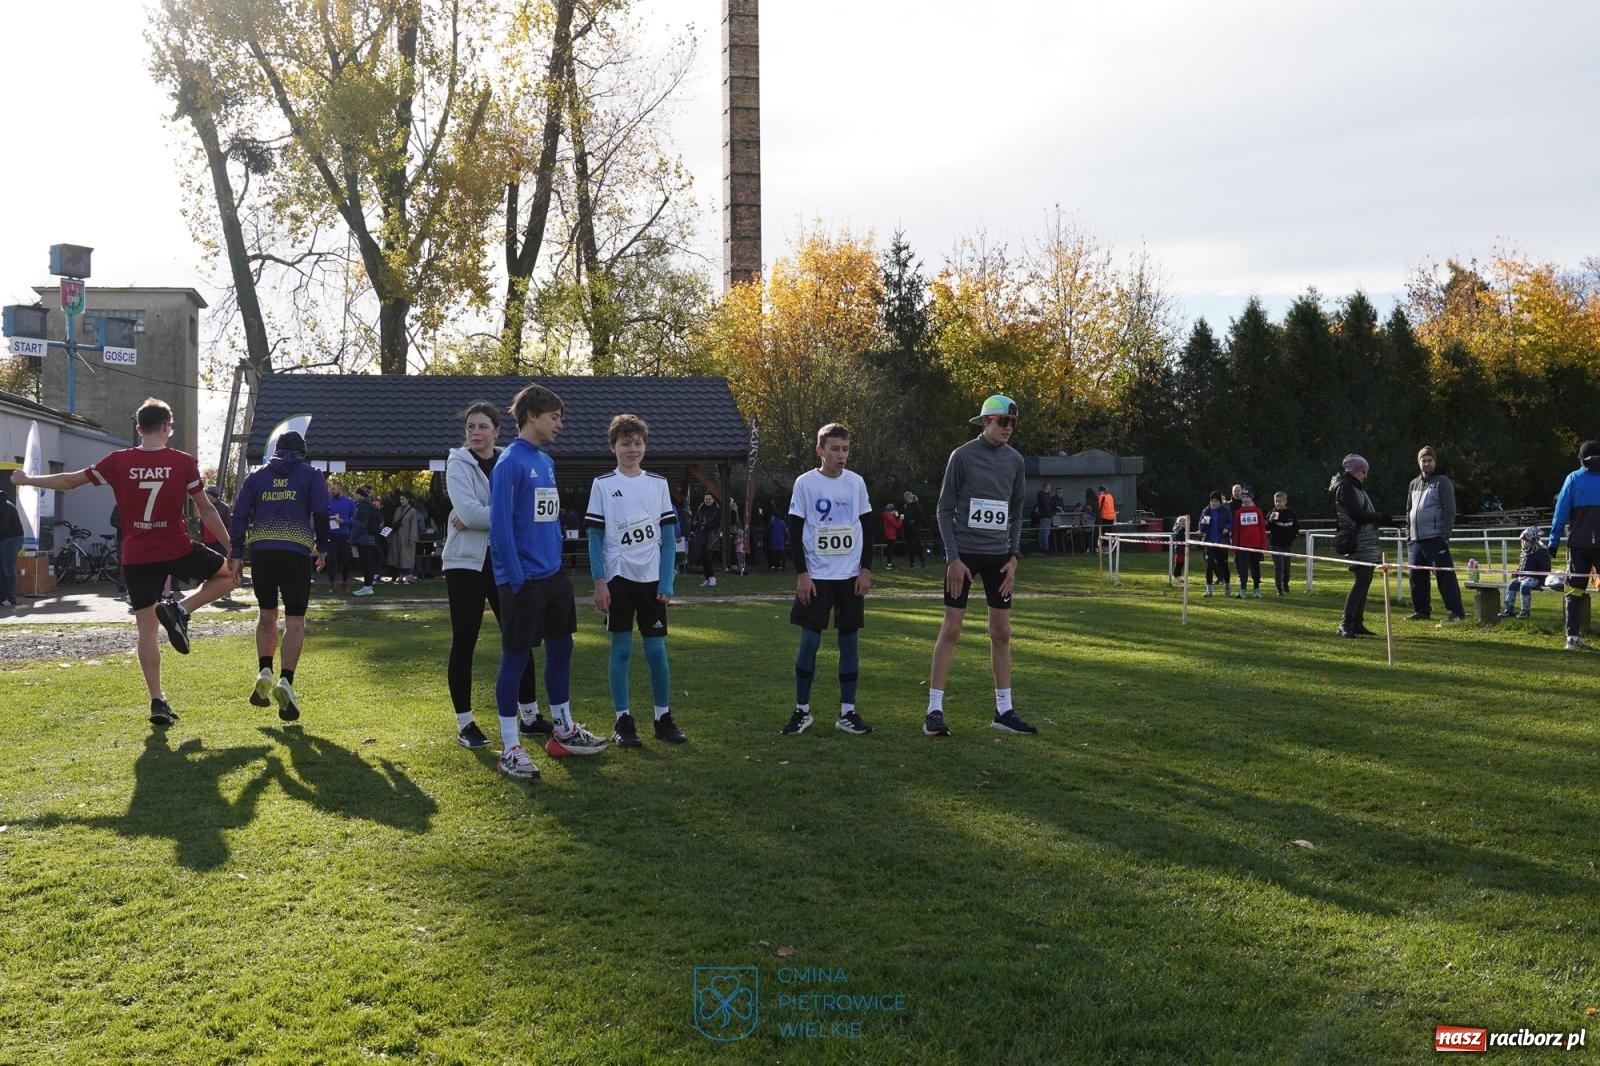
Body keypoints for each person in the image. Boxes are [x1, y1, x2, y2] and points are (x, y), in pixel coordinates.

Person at [10, 397, 234, 725]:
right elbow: (207, 509)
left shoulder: (118, 461)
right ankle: (182, 610)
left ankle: (157, 700)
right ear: (168, 428)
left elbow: (69, 481)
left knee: (146, 629)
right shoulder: (183, 462)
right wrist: (232, 547)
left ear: (139, 428)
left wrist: (28, 480)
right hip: (176, 547)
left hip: (137, 555)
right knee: (229, 575)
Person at [489, 383, 608, 778]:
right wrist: (518, 577)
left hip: (554, 577)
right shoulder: (510, 463)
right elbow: (500, 528)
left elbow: (547, 519)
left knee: (563, 648)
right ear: (532, 417)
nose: (560, 424)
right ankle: (510, 747)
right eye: (555, 417)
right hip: (522, 582)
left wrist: (556, 566)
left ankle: (564, 730)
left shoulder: (547, 461)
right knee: (516, 659)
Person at [924, 394, 1034, 737]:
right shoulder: (962, 456)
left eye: (1013, 423)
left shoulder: (1016, 461)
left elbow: (1016, 513)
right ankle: (934, 711)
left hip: (998, 557)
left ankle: (1004, 710)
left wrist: (1014, 557)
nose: (1008, 429)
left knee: (1002, 632)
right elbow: (944, 510)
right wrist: (953, 559)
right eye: (1003, 422)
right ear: (986, 421)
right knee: (952, 629)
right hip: (964, 555)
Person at [441, 401, 544, 749]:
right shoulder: (457, 461)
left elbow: (513, 509)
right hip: (464, 565)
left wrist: (476, 514)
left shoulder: (510, 460)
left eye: (482, 426)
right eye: (470, 427)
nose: (475, 433)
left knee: (518, 636)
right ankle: (465, 722)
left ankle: (529, 715)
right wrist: (484, 514)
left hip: (504, 560)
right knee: (465, 641)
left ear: (497, 431)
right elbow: (469, 512)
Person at [585, 413, 686, 748]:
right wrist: (600, 581)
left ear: (645, 445)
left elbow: (670, 538)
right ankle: (623, 721)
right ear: (614, 447)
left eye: (638, 443)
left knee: (656, 651)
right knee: (623, 649)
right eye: (625, 443)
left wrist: (667, 581)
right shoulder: (602, 485)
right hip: (618, 578)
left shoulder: (657, 484)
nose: (633, 449)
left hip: (651, 580)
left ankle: (663, 717)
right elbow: (595, 538)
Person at [228, 431, 329, 722]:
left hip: (262, 550)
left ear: (276, 450)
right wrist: (323, 547)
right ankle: (286, 680)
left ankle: (264, 669)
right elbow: (321, 512)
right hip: (296, 550)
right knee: (295, 620)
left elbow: (239, 515)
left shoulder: (257, 476)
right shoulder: (311, 475)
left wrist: (237, 552)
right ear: (303, 452)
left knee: (266, 614)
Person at [782, 422, 875, 737]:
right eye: (834, 449)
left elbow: (867, 526)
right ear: (820, 450)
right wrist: (802, 574)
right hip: (817, 577)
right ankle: (802, 710)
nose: (841, 455)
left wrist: (865, 569)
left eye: (845, 449)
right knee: (810, 641)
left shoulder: (856, 483)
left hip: (849, 577)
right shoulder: (805, 483)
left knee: (849, 642)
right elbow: (795, 530)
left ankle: (847, 712)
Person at [1330, 453, 1390, 638]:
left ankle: (1357, 623)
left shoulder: (1355, 487)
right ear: (1355, 471)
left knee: (1365, 580)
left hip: (1366, 540)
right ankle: (1345, 623)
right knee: (1361, 580)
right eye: (1363, 471)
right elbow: (1357, 514)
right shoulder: (1346, 487)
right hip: (1357, 540)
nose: (1365, 475)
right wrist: (1380, 517)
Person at [1548, 440, 1600, 651]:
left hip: (1578, 545)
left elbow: (1560, 513)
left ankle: (1572, 638)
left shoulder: (1573, 478)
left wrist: (1553, 541)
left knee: (1573, 592)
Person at [1405, 446, 1466, 623]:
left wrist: (1444, 536)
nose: (1426, 463)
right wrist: (1409, 535)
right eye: (1423, 460)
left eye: (1429, 460)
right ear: (1418, 462)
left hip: (1435, 538)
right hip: (1416, 540)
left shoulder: (1443, 482)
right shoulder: (1413, 484)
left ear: (1435, 462)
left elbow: (1449, 511)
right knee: (1416, 578)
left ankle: (1456, 612)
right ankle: (1422, 611)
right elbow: (1408, 510)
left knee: (1444, 576)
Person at [1500, 526, 1552, 619]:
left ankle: (1525, 611)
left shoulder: (1541, 552)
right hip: (1523, 577)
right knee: (1511, 586)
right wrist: (1517, 573)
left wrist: (1541, 582)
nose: (1523, 543)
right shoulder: (1524, 552)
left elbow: (1546, 569)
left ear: (1532, 541)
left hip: (1535, 578)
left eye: (1525, 541)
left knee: (1524, 586)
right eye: (1522, 541)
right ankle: (1508, 609)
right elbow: (1522, 567)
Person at [1231, 487, 1267, 598]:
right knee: (1243, 567)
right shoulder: (1238, 513)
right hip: (1243, 545)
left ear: (1251, 498)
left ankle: (1256, 589)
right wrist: (1235, 547)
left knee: (1255, 567)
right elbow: (1236, 531)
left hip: (1256, 544)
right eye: (1243, 497)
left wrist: (1263, 546)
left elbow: (1262, 529)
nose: (1245, 499)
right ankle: (1243, 590)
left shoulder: (1258, 512)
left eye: (1247, 497)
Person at [1197, 491, 1233, 597]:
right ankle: (1209, 590)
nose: (1213, 503)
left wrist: (1227, 528)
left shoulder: (1225, 511)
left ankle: (1227, 586)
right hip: (1209, 542)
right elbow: (1200, 527)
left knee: (1224, 565)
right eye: (1212, 501)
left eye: (1216, 501)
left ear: (1220, 502)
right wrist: (1202, 525)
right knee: (1210, 565)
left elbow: (1231, 523)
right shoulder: (1206, 511)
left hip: (1222, 542)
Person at [1266, 490, 1300, 596]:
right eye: (1276, 501)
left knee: (1287, 566)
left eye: (1280, 501)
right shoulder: (1272, 513)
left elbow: (1296, 527)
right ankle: (1279, 588)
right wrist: (1270, 520)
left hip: (1287, 545)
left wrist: (1293, 537)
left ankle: (1285, 584)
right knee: (1279, 566)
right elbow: (1267, 527)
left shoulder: (1291, 514)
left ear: (1285, 502)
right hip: (1275, 545)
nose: (1278, 503)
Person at [325, 480, 356, 594]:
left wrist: (343, 521)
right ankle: (332, 584)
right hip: (331, 534)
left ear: (340, 489)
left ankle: (344, 582)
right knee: (331, 560)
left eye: (333, 489)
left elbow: (354, 520)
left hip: (344, 534)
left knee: (345, 560)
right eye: (330, 489)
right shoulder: (327, 502)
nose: (331, 491)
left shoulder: (349, 502)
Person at [350, 485, 380, 596]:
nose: (355, 496)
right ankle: (367, 585)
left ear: (360, 495)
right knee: (367, 563)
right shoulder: (369, 504)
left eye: (357, 494)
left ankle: (368, 587)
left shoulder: (363, 506)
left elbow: (360, 524)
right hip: (368, 538)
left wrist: (352, 536)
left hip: (364, 539)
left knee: (366, 564)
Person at [690, 492, 722, 587]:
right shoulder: (700, 509)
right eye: (706, 499)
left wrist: (705, 526)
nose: (707, 501)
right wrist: (698, 525)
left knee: (708, 557)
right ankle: (707, 578)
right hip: (700, 536)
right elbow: (694, 521)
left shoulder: (717, 510)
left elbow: (717, 523)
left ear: (713, 500)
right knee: (703, 558)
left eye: (709, 499)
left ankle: (712, 578)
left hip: (711, 537)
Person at [388, 491, 420, 583]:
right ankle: (401, 576)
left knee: (407, 557)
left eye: (403, 499)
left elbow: (413, 526)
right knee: (398, 557)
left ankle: (408, 576)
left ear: (408, 500)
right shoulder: (397, 510)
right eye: (400, 499)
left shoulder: (412, 511)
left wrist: (412, 539)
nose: (401, 501)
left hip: (407, 537)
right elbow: (394, 523)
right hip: (397, 537)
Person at [0, 493, 23, 608]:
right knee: (3, 568)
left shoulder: (5, 507)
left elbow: (3, 528)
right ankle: (3, 597)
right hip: (6, 539)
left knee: (8, 568)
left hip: (11, 539)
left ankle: (10, 598)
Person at [901, 490, 926, 567]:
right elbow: (905, 516)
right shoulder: (906, 506)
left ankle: (922, 561)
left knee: (917, 545)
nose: (905, 501)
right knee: (909, 546)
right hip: (907, 529)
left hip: (915, 528)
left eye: (906, 499)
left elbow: (921, 517)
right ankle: (912, 563)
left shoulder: (917, 506)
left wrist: (914, 521)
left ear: (910, 498)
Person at [1095, 483, 1117, 552]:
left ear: (1101, 490)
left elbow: (1098, 505)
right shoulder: (1110, 496)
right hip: (1112, 516)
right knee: (1109, 532)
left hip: (1105, 516)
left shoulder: (1102, 496)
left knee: (1104, 533)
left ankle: (1105, 547)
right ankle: (1109, 547)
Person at [881, 501, 903, 569]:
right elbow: (897, 525)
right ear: (892, 510)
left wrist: (896, 516)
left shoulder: (886, 515)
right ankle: (889, 564)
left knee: (889, 549)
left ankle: (889, 563)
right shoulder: (890, 517)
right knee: (890, 550)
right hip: (891, 535)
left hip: (888, 534)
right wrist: (900, 519)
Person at [766, 506, 788, 571]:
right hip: (781, 541)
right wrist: (786, 538)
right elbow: (785, 532)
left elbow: (768, 531)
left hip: (774, 541)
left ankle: (776, 566)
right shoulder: (783, 522)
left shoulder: (772, 523)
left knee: (775, 555)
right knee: (782, 555)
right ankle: (783, 567)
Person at [1034, 483, 1053, 553]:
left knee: (1042, 532)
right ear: (1047, 487)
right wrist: (1050, 514)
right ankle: (1046, 548)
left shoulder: (1041, 496)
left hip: (1042, 516)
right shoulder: (1045, 496)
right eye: (1049, 487)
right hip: (1046, 516)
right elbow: (1047, 506)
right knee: (1045, 532)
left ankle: (1041, 547)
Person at [1170, 514, 1189, 580]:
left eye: (1184, 521)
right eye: (1181, 521)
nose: (1183, 522)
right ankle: (1175, 575)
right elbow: (1177, 536)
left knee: (1182, 563)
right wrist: (1180, 527)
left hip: (1185, 548)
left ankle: (1179, 575)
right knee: (1178, 563)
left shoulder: (1186, 529)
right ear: (1178, 522)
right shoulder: (1176, 529)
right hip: (1179, 548)